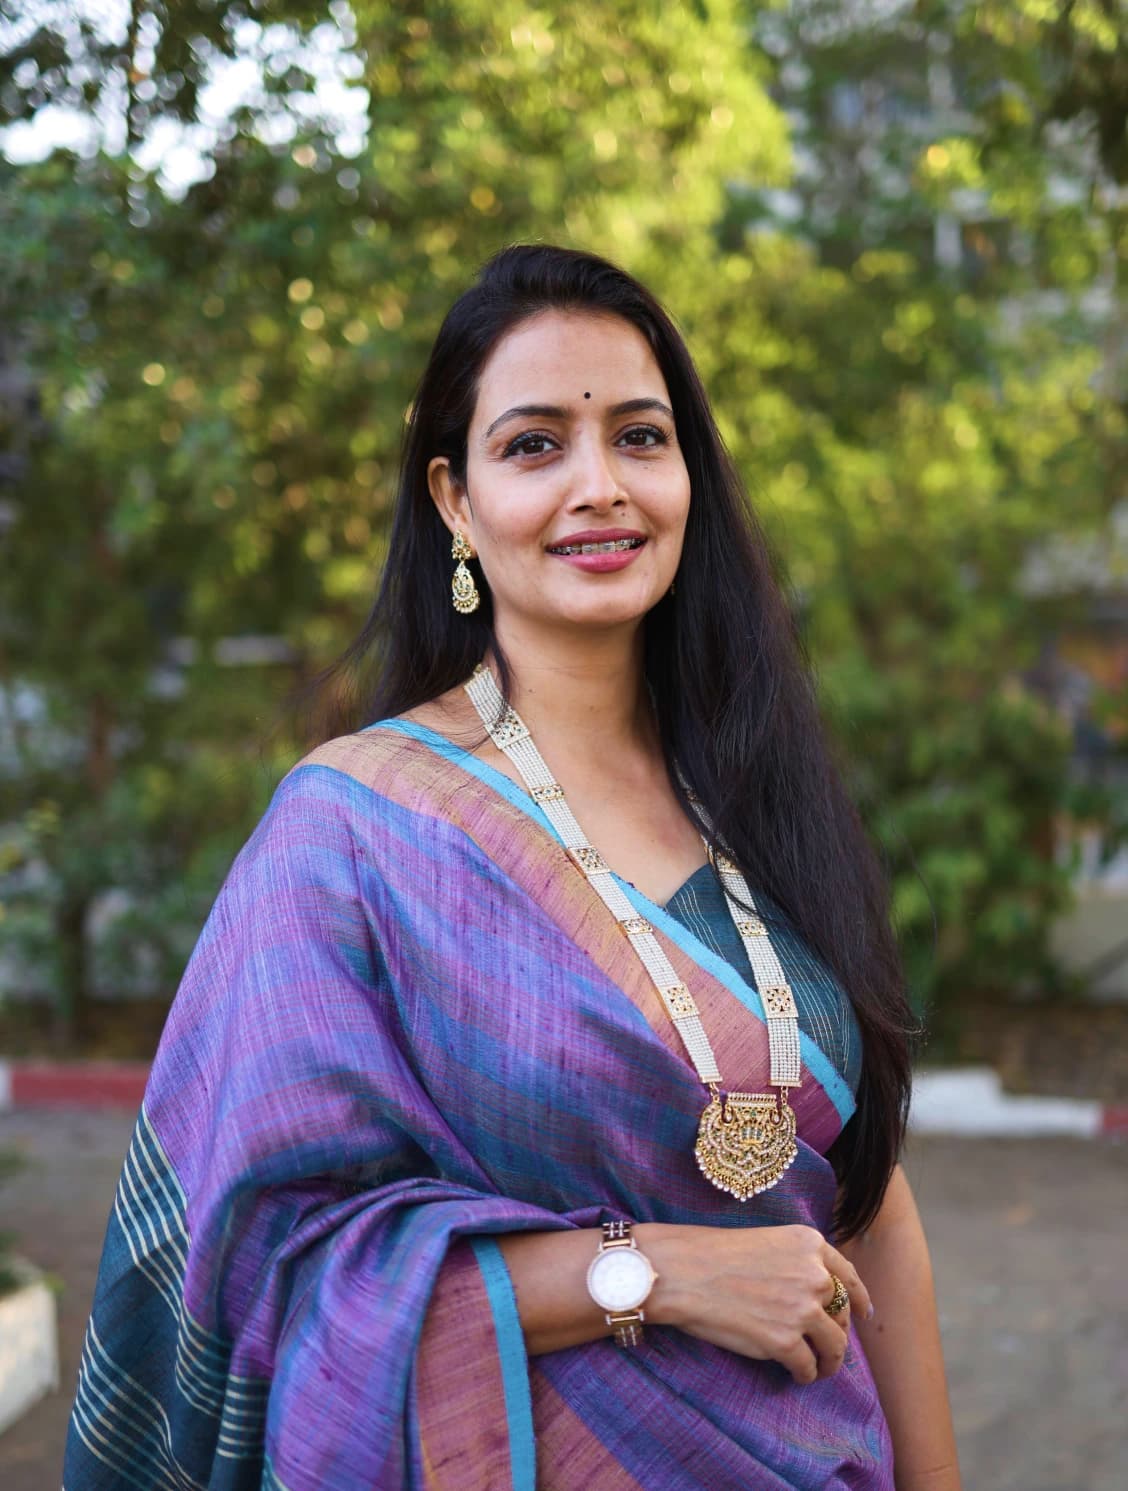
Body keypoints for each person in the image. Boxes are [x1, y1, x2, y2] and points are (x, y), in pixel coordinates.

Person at [64, 243, 961, 1490]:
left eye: (641, 437)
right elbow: (275, 1275)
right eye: (536, 445)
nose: (600, 485)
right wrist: (654, 1271)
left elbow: (868, 1197)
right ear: (455, 499)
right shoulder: (356, 829)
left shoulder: (762, 798)